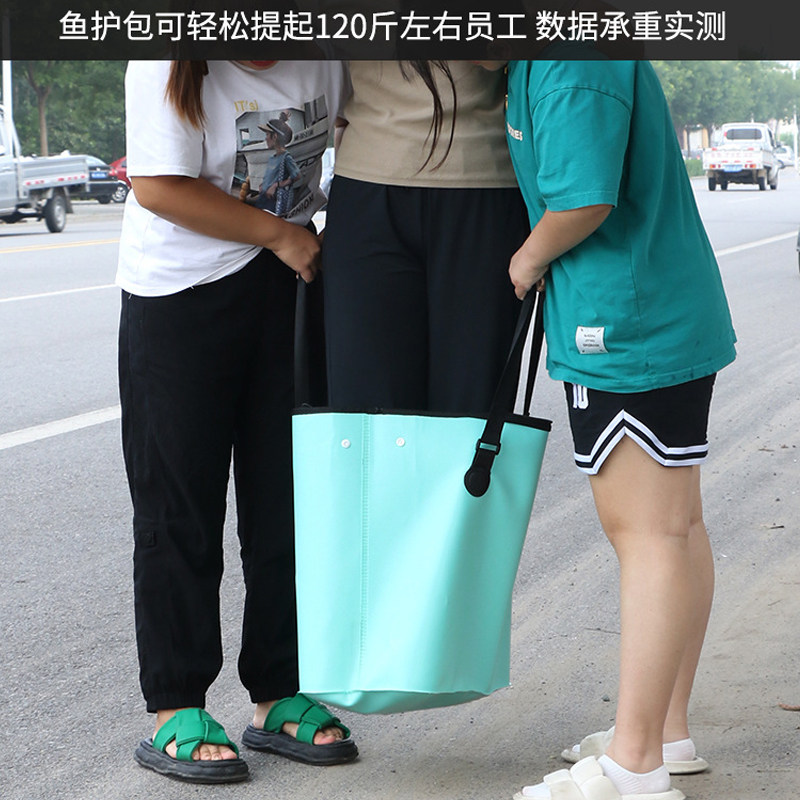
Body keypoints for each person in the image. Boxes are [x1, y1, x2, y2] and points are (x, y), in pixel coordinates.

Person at [488, 59, 737, 799]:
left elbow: (583, 200)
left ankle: (634, 766)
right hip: (647, 311)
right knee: (676, 527)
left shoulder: (569, 58)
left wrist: (526, 260)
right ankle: (664, 734)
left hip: (625, 325)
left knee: (649, 535)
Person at [117, 58, 356, 784]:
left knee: (288, 502)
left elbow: (364, 126)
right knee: (179, 508)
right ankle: (175, 704)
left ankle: (279, 690)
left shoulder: (325, 46)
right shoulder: (168, 55)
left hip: (288, 288)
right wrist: (279, 234)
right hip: (180, 299)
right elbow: (158, 185)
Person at [321, 61, 531, 417]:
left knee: (472, 404)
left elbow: (496, 53)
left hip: (481, 178)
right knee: (368, 407)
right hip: (367, 180)